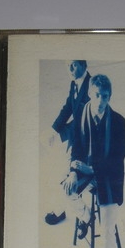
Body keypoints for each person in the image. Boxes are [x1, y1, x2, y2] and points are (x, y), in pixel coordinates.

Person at [63, 74, 125, 248]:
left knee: (107, 232)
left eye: (105, 96)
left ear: (110, 96)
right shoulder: (81, 113)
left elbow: (118, 159)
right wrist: (73, 171)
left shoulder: (118, 121)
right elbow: (76, 149)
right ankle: (87, 217)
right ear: (90, 93)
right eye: (97, 95)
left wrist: (92, 168)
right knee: (67, 190)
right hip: (86, 172)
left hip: (109, 177)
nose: (100, 100)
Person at [44, 60, 91, 225]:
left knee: (62, 171)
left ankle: (86, 217)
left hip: (85, 143)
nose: (70, 68)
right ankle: (61, 209)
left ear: (84, 65)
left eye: (74, 64)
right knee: (55, 164)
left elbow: (86, 127)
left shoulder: (91, 87)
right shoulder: (74, 83)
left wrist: (73, 166)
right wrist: (54, 130)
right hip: (75, 133)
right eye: (67, 64)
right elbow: (69, 107)